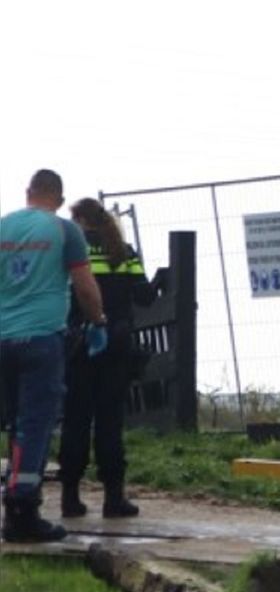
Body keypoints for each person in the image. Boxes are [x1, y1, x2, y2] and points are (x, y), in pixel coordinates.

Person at [0, 170, 106, 543]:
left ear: (28, 193)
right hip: (42, 338)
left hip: (2, 338)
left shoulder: (3, 226)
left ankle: (15, 496)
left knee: (14, 423)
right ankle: (22, 510)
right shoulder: (65, 231)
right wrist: (98, 322)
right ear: (59, 200)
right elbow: (85, 286)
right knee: (36, 425)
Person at [58, 198, 158, 519]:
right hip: (116, 346)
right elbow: (145, 297)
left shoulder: (73, 250)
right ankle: (114, 498)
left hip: (79, 345)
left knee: (75, 421)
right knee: (110, 423)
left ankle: (70, 498)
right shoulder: (124, 252)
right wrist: (160, 280)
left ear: (79, 220)